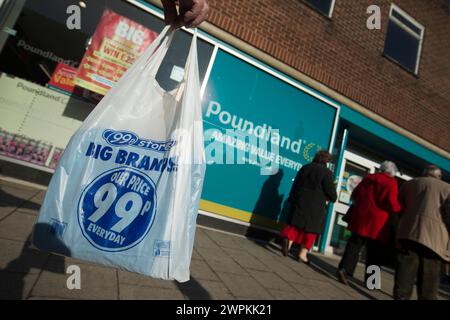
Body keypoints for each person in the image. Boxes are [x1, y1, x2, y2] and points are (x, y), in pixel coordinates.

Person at [336, 161, 402, 285]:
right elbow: (392, 203)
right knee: (375, 252)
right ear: (392, 172)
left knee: (354, 245)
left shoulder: (368, 178)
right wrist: (400, 210)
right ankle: (372, 281)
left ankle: (344, 269)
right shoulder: (391, 182)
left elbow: (355, 194)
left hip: (361, 218)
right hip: (378, 223)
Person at [393, 165, 450, 300]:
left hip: (409, 232)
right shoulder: (447, 188)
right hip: (434, 239)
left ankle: (401, 296)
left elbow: (399, 207)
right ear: (439, 176)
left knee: (405, 271)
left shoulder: (409, 184)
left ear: (424, 174)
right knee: (429, 277)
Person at [280, 150, 337, 264]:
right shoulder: (326, 172)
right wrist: (333, 197)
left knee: (295, 225)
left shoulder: (305, 168)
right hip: (316, 205)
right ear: (327, 161)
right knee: (311, 230)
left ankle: (288, 240)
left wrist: (292, 198)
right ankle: (302, 255)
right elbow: (331, 193)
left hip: (300, 200)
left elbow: (295, 184)